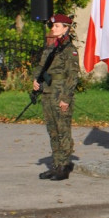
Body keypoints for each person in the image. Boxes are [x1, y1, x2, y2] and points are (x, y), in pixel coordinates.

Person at [34, 14, 80, 179]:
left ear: (66, 28)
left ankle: (64, 166)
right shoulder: (50, 49)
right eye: (52, 26)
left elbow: (73, 77)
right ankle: (56, 164)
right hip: (48, 93)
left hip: (60, 94)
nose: (53, 29)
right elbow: (41, 66)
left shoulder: (70, 50)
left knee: (63, 131)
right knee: (52, 131)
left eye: (57, 26)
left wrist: (66, 99)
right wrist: (35, 79)